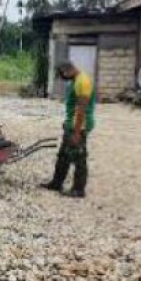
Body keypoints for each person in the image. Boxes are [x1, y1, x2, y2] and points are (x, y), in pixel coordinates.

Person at [41, 61, 96, 198]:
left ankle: (78, 189)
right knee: (63, 156)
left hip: (80, 126)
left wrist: (77, 132)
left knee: (79, 157)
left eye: (62, 76)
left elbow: (81, 109)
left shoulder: (83, 82)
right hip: (73, 124)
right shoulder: (77, 80)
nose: (63, 79)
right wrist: (68, 123)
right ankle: (56, 183)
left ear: (67, 71)